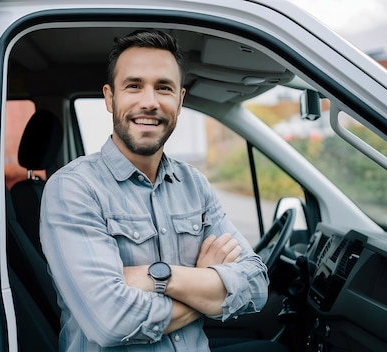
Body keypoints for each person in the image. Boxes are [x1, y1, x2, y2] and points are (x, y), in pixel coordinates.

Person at [40, 29, 283, 352]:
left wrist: (162, 276)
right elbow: (111, 322)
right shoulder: (73, 188)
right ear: (110, 98)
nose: (150, 102)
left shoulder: (194, 185)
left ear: (179, 101)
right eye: (134, 86)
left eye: (164, 88)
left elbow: (254, 285)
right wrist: (204, 282)